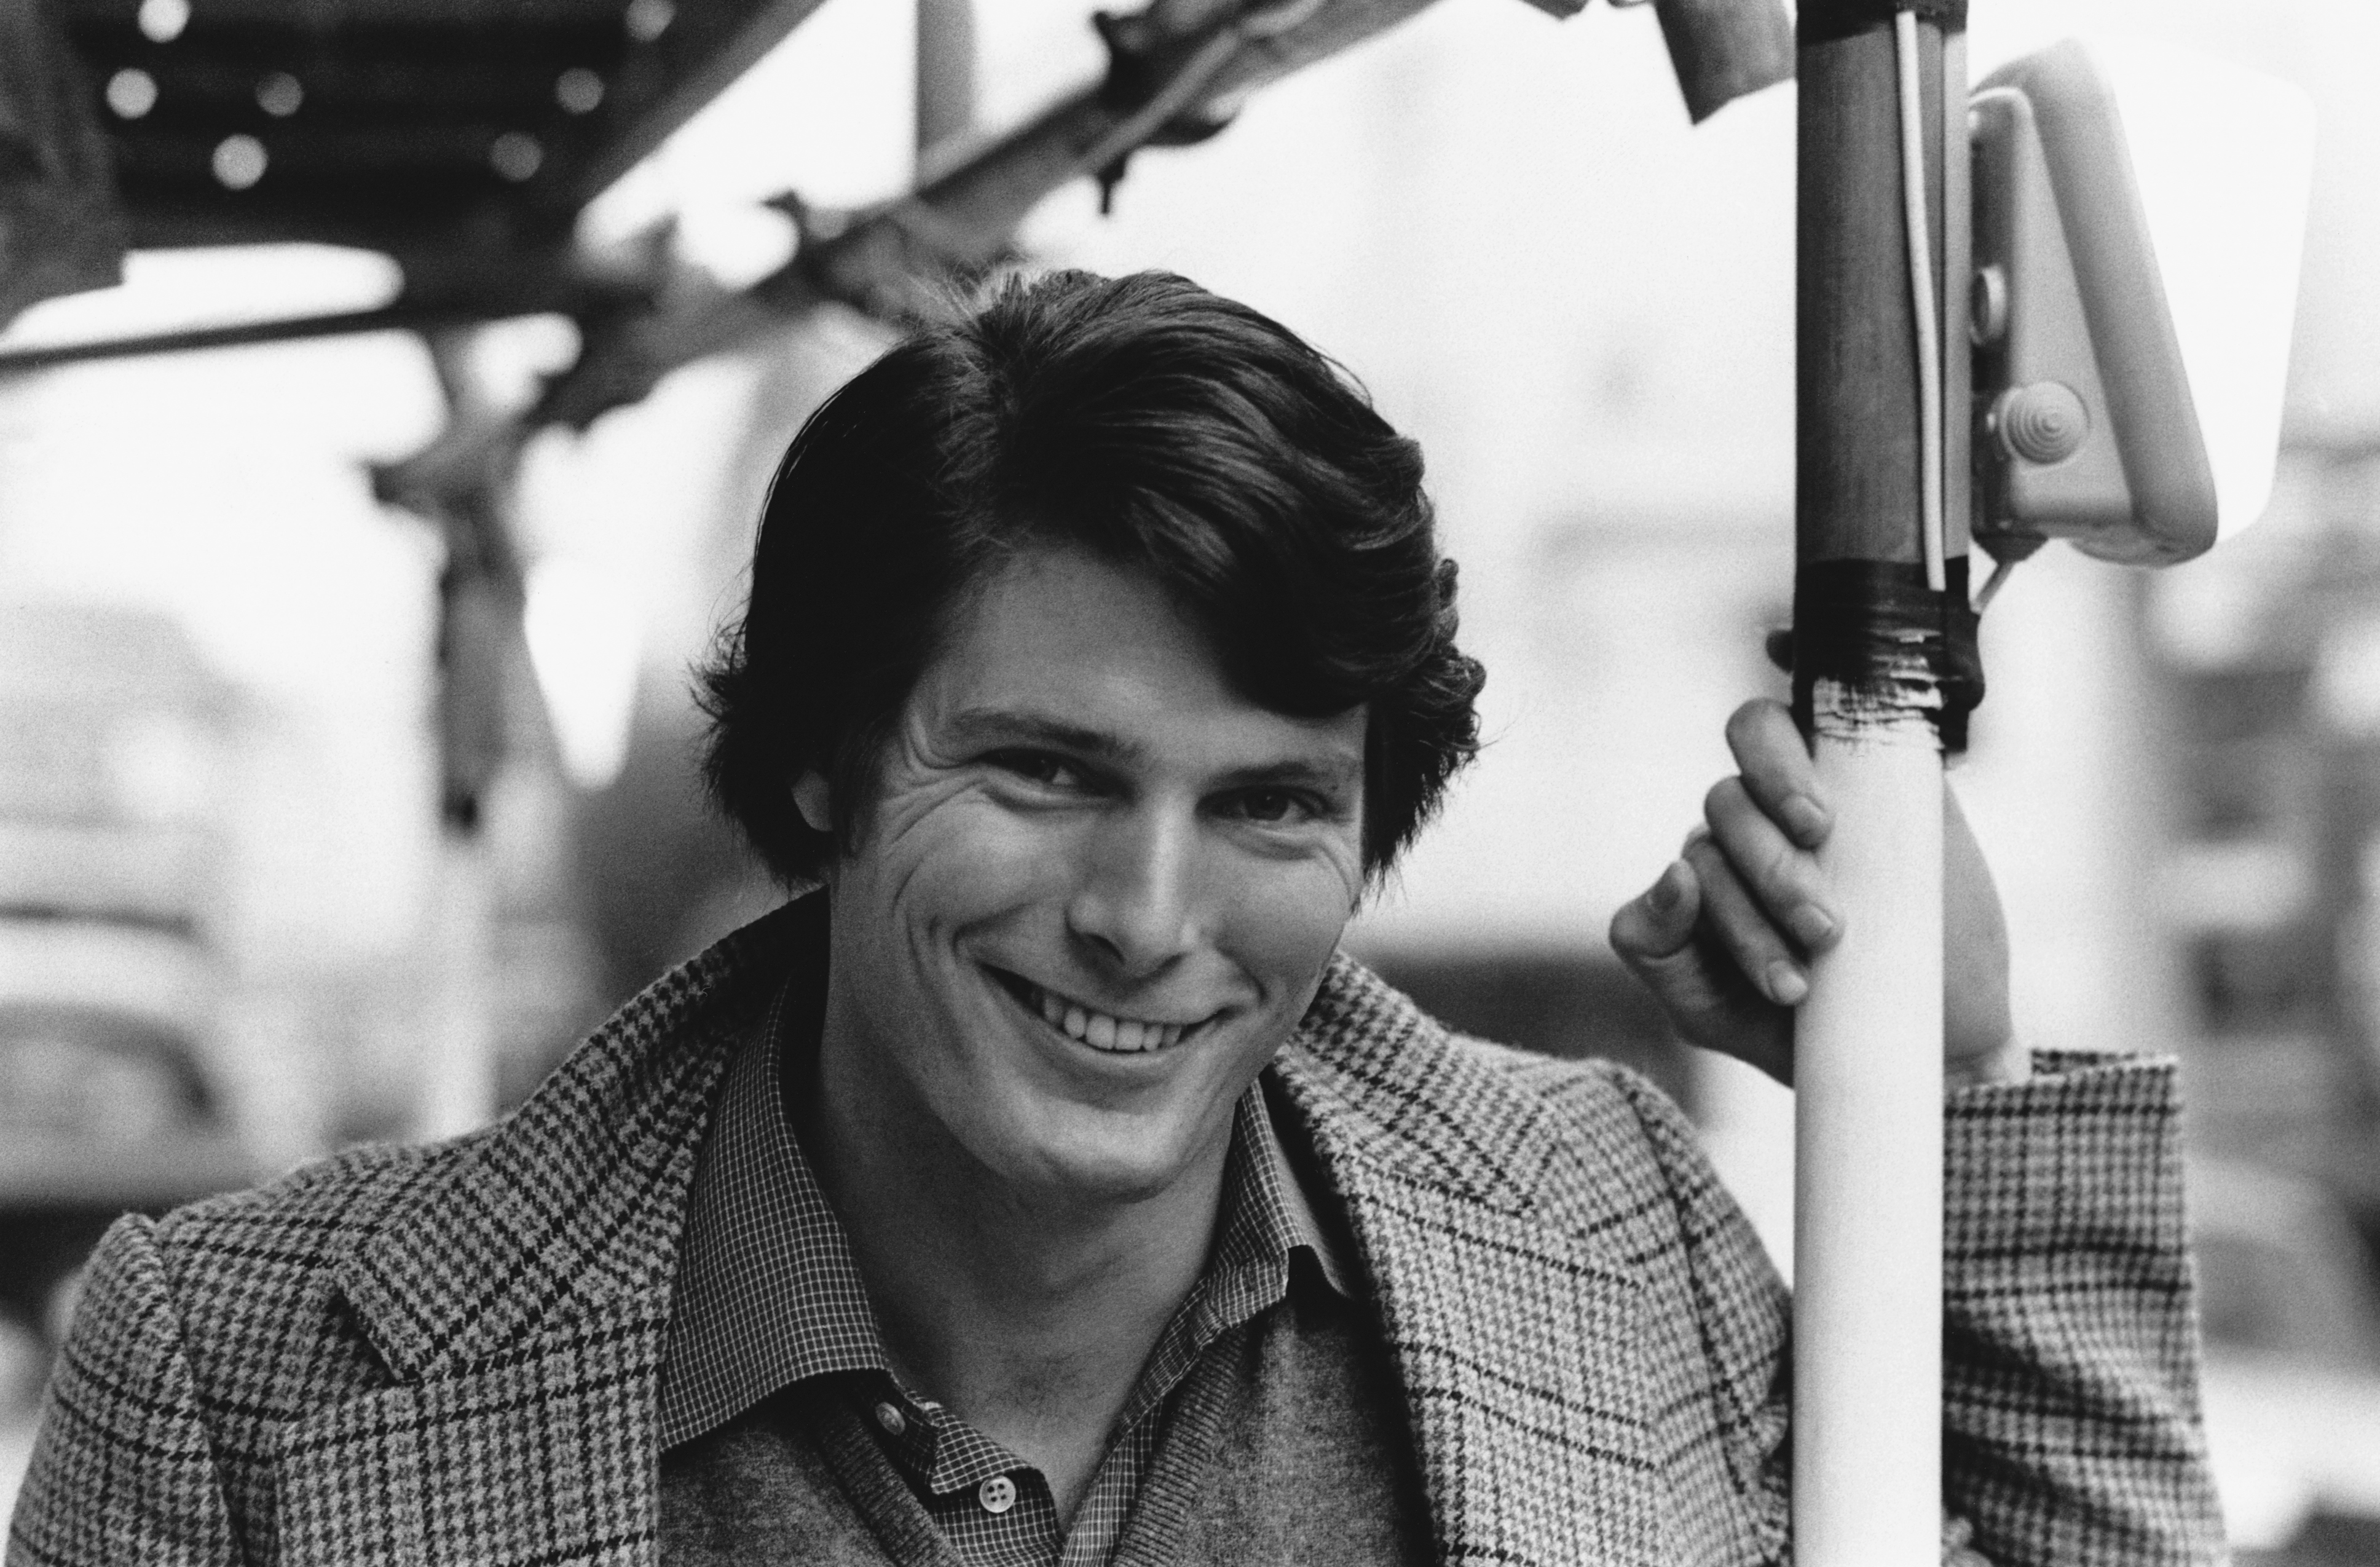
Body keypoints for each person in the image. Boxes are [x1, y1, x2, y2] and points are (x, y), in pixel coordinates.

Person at [7, 270, 2220, 1567]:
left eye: (1265, 805)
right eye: (1049, 774)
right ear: (821, 767)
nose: (1146, 917)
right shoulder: (243, 1380)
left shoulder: (1613, 1242)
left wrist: (1949, 1088)